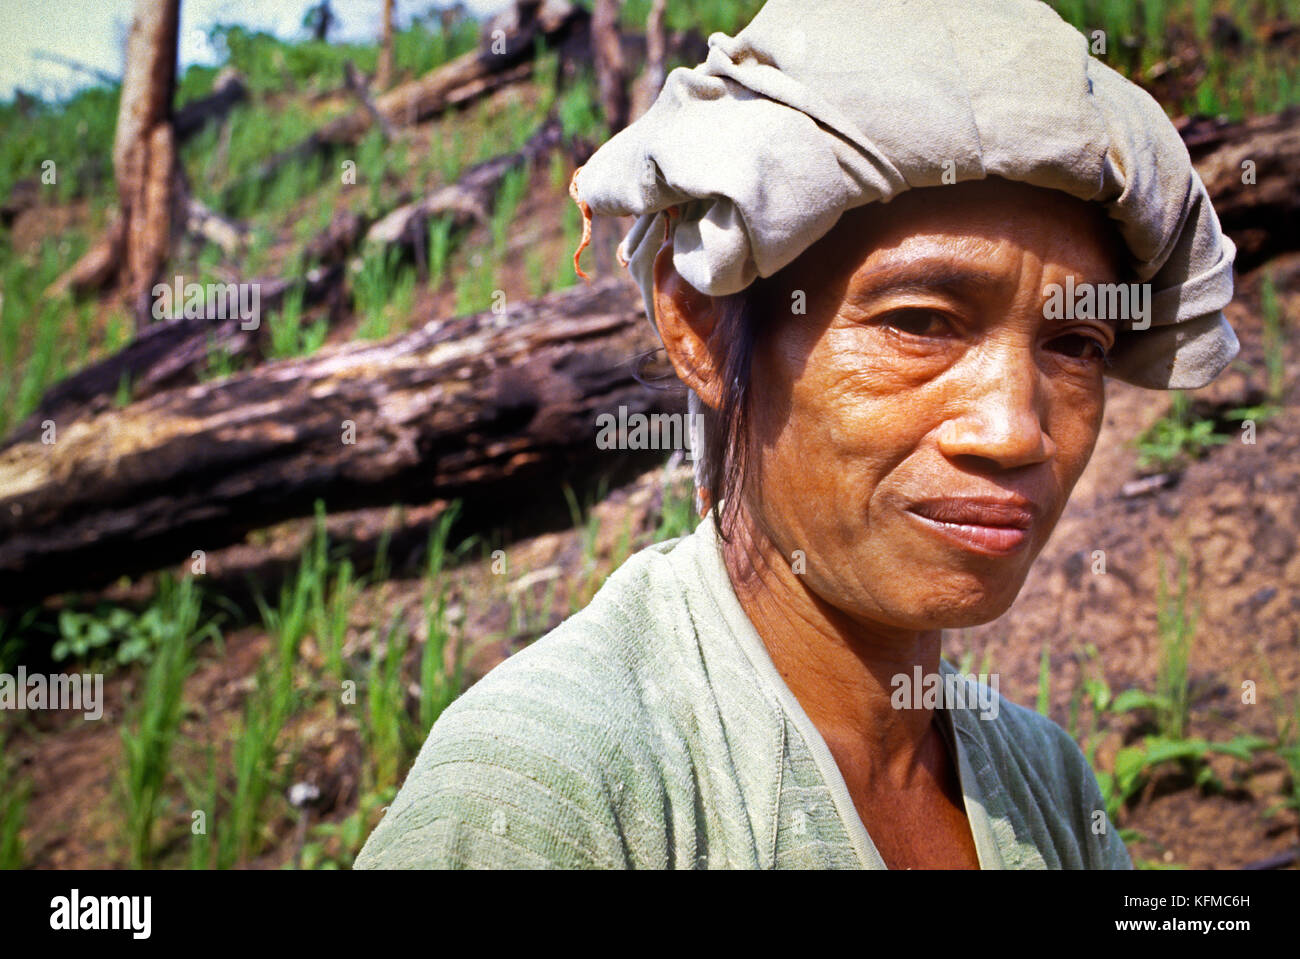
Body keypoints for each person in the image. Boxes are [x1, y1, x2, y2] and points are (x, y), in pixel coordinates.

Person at [354, 0, 1238, 869]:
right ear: (698, 326)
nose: (1014, 431)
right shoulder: (548, 792)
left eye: (1077, 343)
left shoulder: (1043, 780)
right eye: (921, 323)